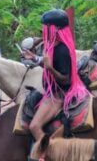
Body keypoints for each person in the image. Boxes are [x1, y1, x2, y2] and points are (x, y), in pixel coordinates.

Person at [29, 9, 90, 142]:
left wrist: (50, 69)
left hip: (58, 94)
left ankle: (48, 154)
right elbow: (48, 64)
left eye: (45, 27)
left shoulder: (62, 50)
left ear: (54, 29)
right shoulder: (52, 46)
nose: (43, 29)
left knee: (34, 126)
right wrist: (35, 59)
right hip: (52, 91)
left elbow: (65, 78)